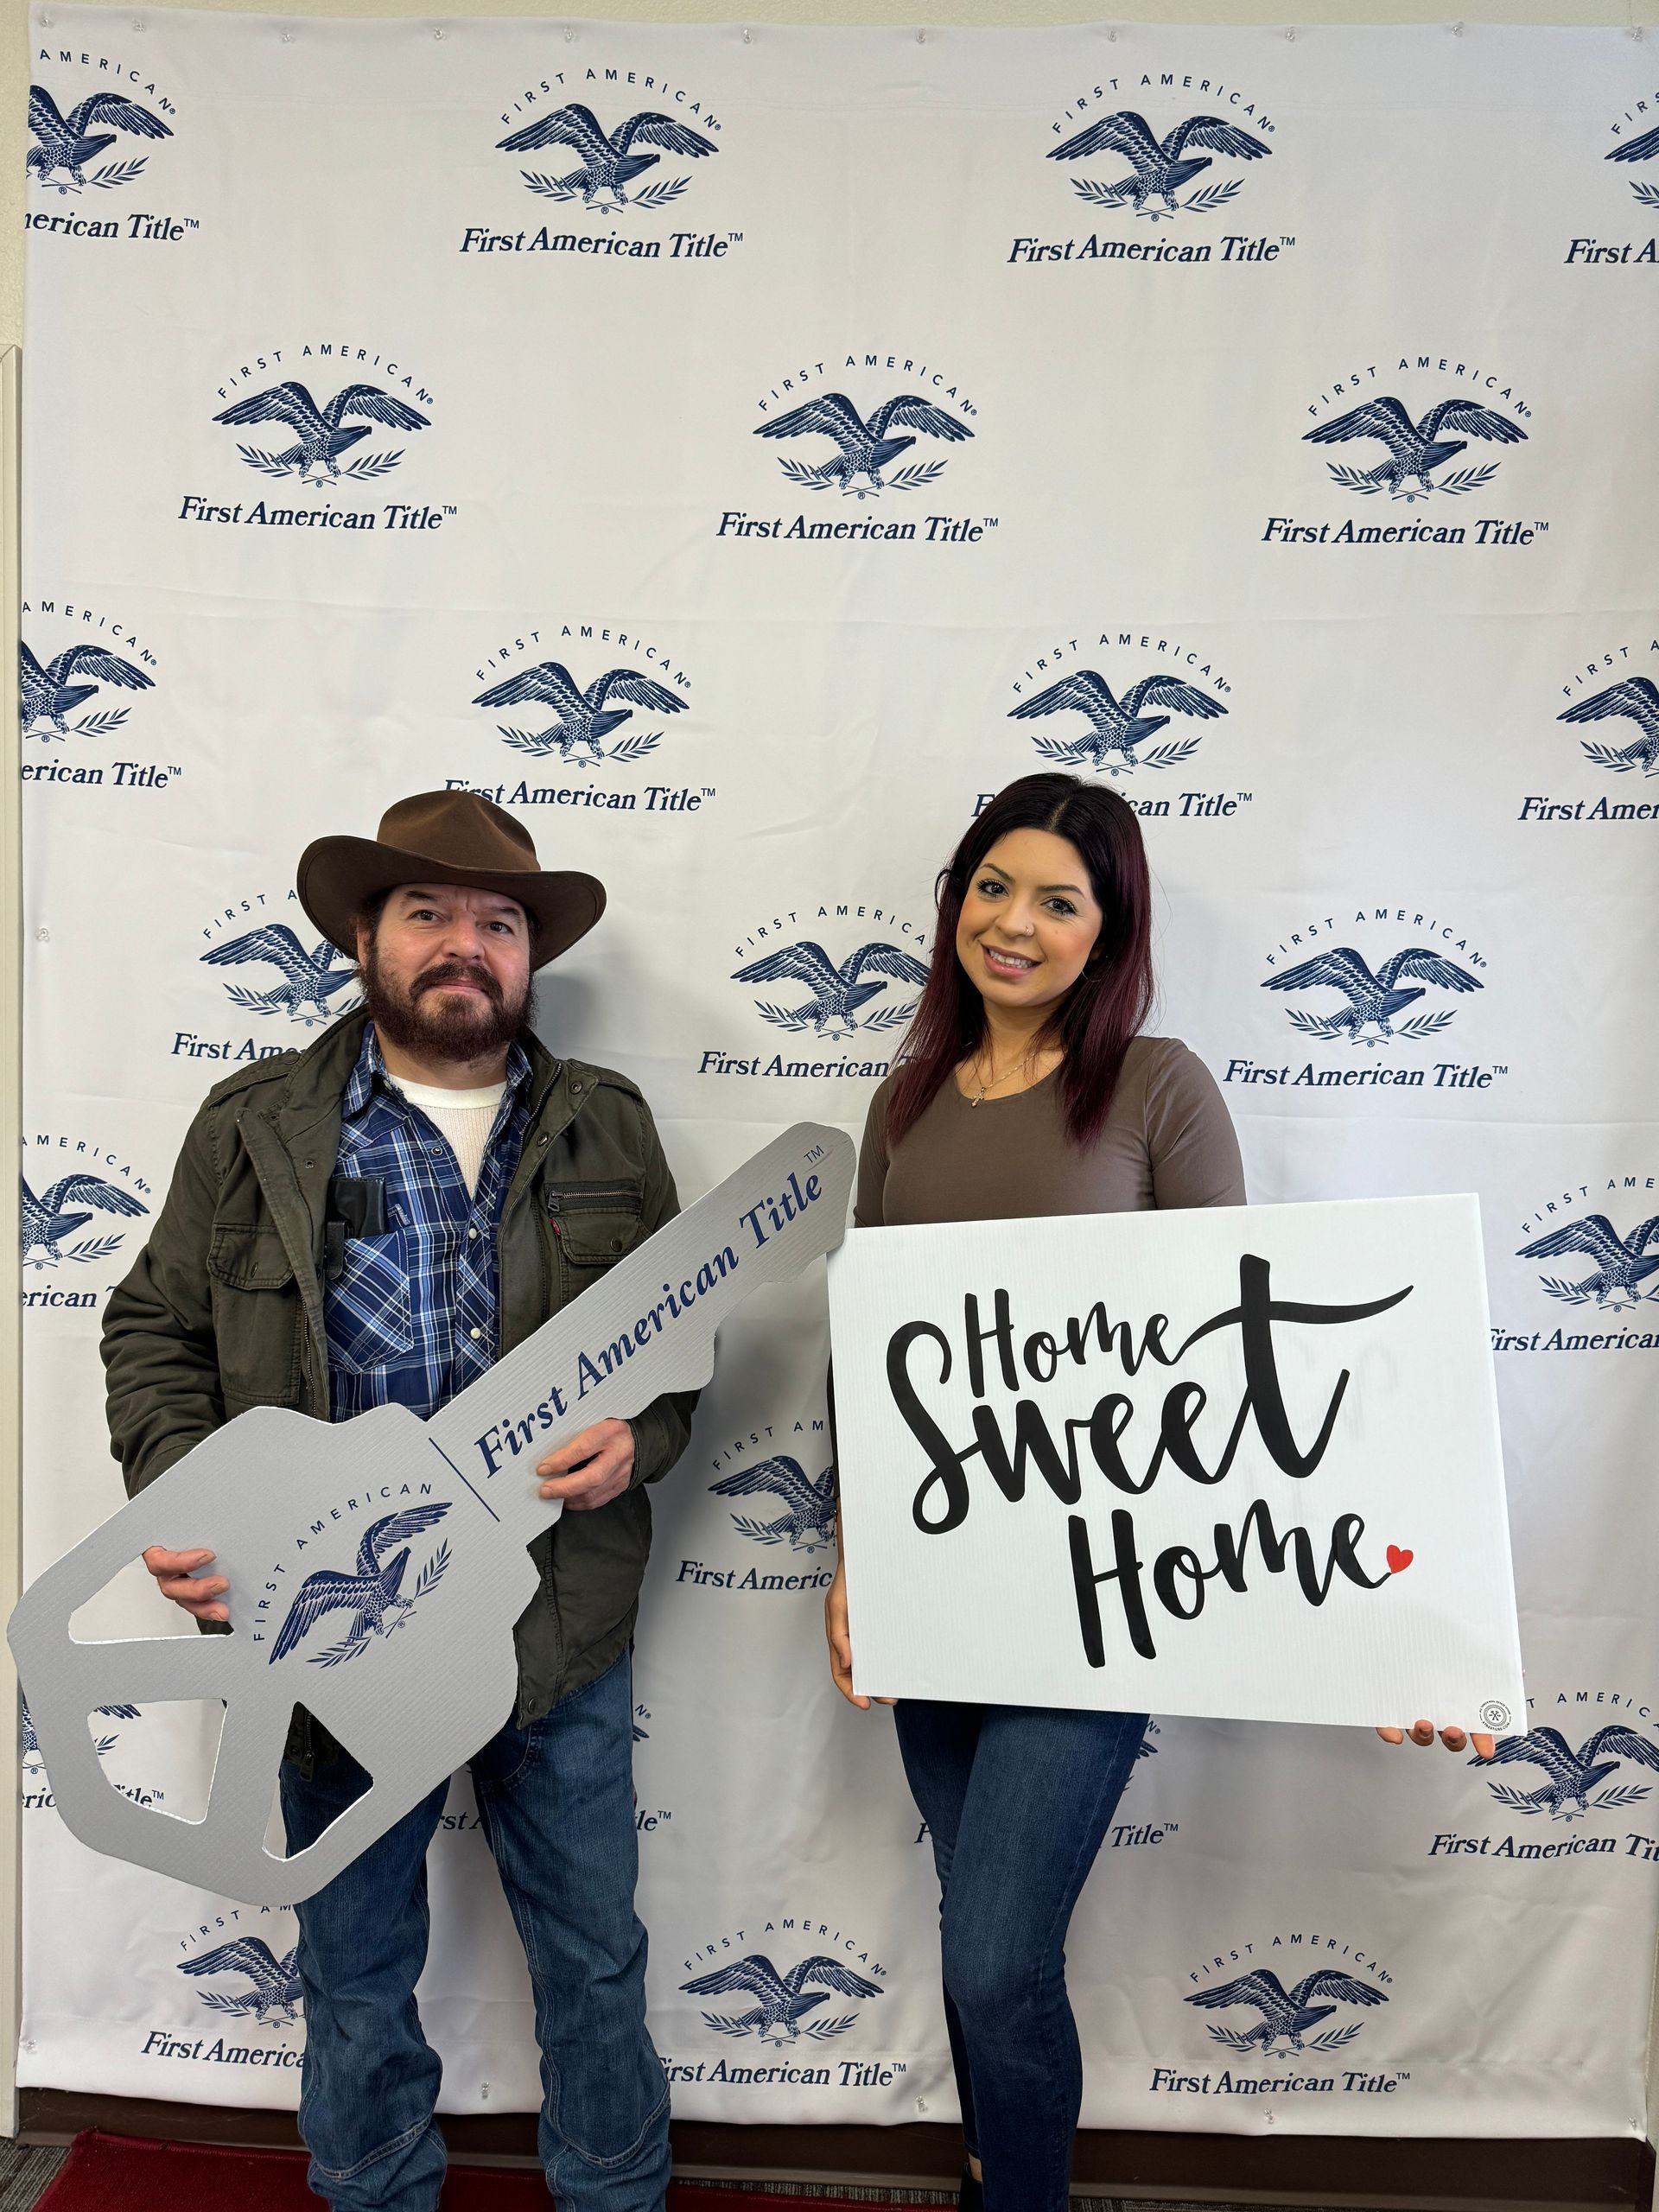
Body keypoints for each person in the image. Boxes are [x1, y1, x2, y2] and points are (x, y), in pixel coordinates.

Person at [823, 772, 1484, 2212]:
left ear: (1106, 934)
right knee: (970, 1936)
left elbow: (1242, 1370)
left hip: (1094, 1605)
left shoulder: (1159, 1086)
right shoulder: (904, 1101)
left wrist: (1392, 1618)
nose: (1015, 922)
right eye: (993, 887)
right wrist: (852, 1559)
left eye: (1061, 901)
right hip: (937, 1590)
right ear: (956, 903)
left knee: (998, 1956)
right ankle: (998, 2173)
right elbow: (872, 1367)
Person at [102, 791, 692, 2212]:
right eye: (426, 913)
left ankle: (614, 2199)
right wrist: (198, 1505)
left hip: (553, 1630)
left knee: (594, 1958)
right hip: (328, 1633)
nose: (464, 947)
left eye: (497, 923)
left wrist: (645, 1439)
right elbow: (151, 1332)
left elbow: (683, 1348)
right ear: (364, 936)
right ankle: (375, 2196)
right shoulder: (252, 1128)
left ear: (528, 958)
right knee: (355, 1969)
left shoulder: (605, 1124)